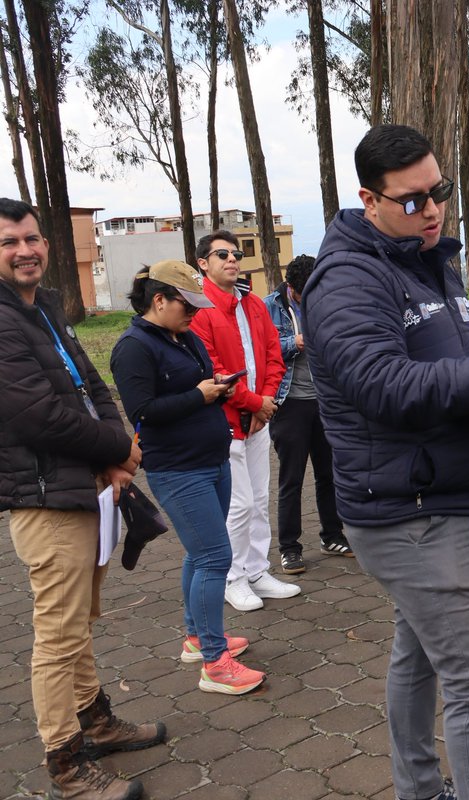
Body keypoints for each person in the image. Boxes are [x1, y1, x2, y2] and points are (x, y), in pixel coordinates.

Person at [302, 124, 469, 800]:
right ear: (369, 200)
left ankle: (419, 791)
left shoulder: (427, 259)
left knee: (417, 655)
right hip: (408, 512)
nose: (432, 211)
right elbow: (384, 385)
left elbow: (455, 351)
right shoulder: (349, 279)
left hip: (440, 495)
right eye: (412, 201)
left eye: (439, 192)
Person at [0, 198, 165, 800]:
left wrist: (118, 455)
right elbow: (36, 416)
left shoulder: (43, 307)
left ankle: (96, 722)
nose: (24, 251)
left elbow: (91, 384)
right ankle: (65, 764)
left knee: (78, 622)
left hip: (84, 487)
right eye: (9, 242)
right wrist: (120, 448)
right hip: (45, 499)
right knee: (58, 634)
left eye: (31, 239)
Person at [110, 261, 263, 696]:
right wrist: (199, 395)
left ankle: (197, 638)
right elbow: (143, 411)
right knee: (215, 556)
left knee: (200, 555)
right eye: (187, 305)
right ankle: (215, 664)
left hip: (212, 459)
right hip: (178, 469)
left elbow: (196, 382)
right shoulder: (134, 347)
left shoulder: (184, 336)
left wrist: (217, 385)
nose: (194, 313)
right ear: (159, 300)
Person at [190, 230, 298, 612]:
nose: (232, 259)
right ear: (203, 263)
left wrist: (266, 402)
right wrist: (254, 404)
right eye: (222, 254)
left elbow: (273, 355)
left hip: (258, 418)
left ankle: (257, 570)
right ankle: (231, 578)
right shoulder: (199, 308)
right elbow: (213, 370)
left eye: (235, 253)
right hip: (226, 422)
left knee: (258, 499)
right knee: (238, 505)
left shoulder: (252, 303)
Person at [265, 254, 351, 574]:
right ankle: (289, 547)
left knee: (329, 473)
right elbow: (262, 349)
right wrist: (294, 342)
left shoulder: (326, 300)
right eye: (304, 293)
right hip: (289, 403)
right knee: (292, 478)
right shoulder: (270, 306)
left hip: (325, 400)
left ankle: (332, 535)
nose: (309, 298)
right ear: (290, 287)